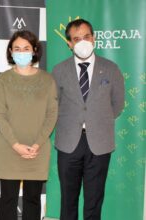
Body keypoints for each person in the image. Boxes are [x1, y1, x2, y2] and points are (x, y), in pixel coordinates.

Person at [52, 19, 125, 220]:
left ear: (94, 38)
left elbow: (117, 104)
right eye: (76, 39)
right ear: (69, 43)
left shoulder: (111, 68)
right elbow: (53, 104)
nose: (82, 42)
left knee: (94, 199)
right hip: (68, 143)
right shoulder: (59, 70)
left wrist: (97, 120)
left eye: (86, 37)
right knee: (68, 199)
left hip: (99, 143)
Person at [0, 30, 58, 220]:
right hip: (8, 148)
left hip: (37, 150)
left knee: (33, 199)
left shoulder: (47, 80)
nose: (22, 52)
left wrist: (37, 144)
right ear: (11, 52)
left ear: (35, 50)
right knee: (8, 200)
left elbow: (52, 114)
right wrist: (16, 145)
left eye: (26, 48)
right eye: (17, 48)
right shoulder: (2, 80)